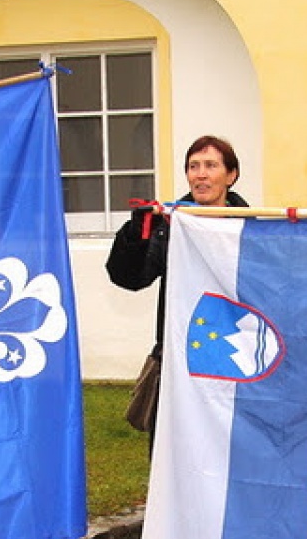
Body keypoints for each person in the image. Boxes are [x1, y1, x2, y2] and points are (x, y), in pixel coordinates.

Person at [106, 135, 249, 443]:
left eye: (211, 165)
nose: (200, 174)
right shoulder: (170, 225)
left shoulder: (252, 228)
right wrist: (136, 233)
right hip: (178, 360)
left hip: (234, 358)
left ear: (231, 175)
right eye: (193, 166)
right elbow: (129, 278)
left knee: (226, 448)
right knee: (174, 450)